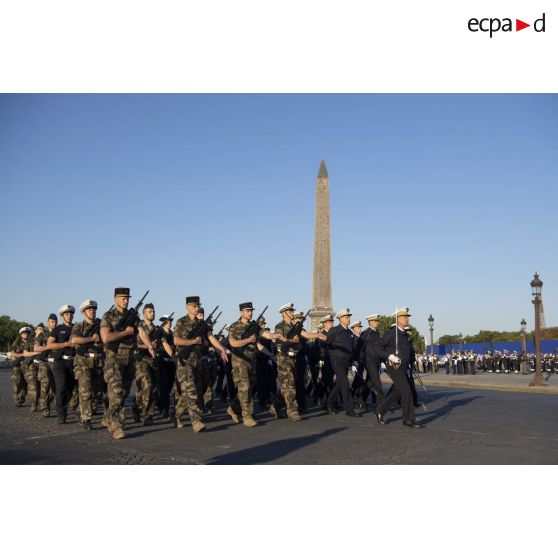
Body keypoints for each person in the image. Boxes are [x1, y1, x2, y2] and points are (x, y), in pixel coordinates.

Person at [100, 287, 155, 440]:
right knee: (116, 393)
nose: (126, 300)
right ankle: (118, 427)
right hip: (114, 359)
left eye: (127, 298)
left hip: (129, 359)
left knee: (122, 393)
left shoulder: (133, 316)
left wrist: (149, 345)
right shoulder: (108, 316)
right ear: (115, 299)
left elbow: (142, 331)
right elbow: (106, 337)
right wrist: (125, 332)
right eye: (123, 298)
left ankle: (108, 414)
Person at [173, 296, 227, 432]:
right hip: (184, 362)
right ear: (187, 307)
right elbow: (176, 341)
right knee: (191, 391)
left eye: (198, 306)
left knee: (189, 393)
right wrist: (192, 342)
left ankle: (175, 414)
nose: (196, 309)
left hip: (197, 362)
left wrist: (222, 349)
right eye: (194, 306)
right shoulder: (181, 322)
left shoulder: (203, 325)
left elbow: (211, 338)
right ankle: (196, 421)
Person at [227, 302, 285, 427]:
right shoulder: (234, 326)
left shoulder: (255, 327)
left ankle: (233, 408)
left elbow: (264, 338)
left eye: (251, 310)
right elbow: (232, 343)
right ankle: (247, 416)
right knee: (245, 387)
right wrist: (248, 340)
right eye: (247, 311)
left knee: (249, 387)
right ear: (241, 312)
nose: (250, 313)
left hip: (251, 361)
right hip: (239, 361)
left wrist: (276, 336)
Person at [271, 303, 324, 421]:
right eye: (289, 311)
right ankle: (293, 411)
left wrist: (319, 334)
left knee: (287, 385)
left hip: (293, 359)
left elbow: (306, 334)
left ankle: (276, 404)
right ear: (283, 313)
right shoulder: (279, 326)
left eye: (292, 311)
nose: (292, 313)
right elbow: (280, 342)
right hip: (283, 358)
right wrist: (292, 340)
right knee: (290, 384)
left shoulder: (296, 326)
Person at [375, 307, 425, 428]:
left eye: (407, 317)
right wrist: (389, 356)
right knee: (407, 391)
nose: (407, 319)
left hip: (403, 367)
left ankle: (380, 410)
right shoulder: (392, 332)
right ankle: (408, 419)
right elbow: (377, 347)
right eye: (404, 317)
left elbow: (407, 351)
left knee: (397, 392)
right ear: (397, 319)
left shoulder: (404, 334)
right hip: (394, 367)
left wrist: (409, 363)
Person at [71, 300, 104, 431]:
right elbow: (74, 340)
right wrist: (92, 339)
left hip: (98, 361)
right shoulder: (79, 326)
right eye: (89, 309)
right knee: (85, 392)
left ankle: (82, 409)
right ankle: (86, 418)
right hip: (83, 361)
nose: (92, 311)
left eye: (94, 309)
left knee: (97, 393)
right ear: (84, 312)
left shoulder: (101, 325)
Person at [323, 308, 362, 417]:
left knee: (339, 384)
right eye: (346, 317)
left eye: (349, 317)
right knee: (345, 383)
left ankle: (329, 403)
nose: (349, 319)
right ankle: (349, 409)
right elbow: (326, 343)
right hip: (337, 360)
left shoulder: (350, 332)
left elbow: (352, 348)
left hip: (346, 361)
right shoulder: (334, 330)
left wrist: (354, 361)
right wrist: (331, 354)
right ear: (340, 319)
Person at [47, 305, 78, 424]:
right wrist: (66, 344)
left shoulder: (77, 328)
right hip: (60, 362)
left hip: (73, 362)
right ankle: (61, 414)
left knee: (70, 389)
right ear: (62, 316)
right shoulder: (58, 329)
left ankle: (63, 405)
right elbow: (50, 344)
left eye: (70, 314)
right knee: (61, 388)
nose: (69, 316)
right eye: (66, 314)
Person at [132, 302, 157, 426]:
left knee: (145, 389)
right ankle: (148, 415)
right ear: (144, 313)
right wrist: (149, 345)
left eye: (153, 311)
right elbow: (134, 344)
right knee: (148, 385)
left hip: (153, 361)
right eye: (149, 311)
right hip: (141, 360)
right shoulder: (139, 326)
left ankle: (136, 407)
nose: (152, 313)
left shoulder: (156, 328)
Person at [359, 313, 386, 406]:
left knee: (370, 382)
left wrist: (382, 361)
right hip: (369, 361)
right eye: (375, 321)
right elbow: (360, 347)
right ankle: (382, 405)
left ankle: (360, 401)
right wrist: (360, 360)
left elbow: (380, 349)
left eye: (377, 321)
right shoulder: (366, 333)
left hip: (377, 361)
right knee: (377, 382)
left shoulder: (377, 333)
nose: (377, 323)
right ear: (370, 322)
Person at [34, 313, 58, 417]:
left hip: (56, 362)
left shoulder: (59, 332)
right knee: (45, 383)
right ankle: (45, 408)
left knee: (56, 387)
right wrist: (48, 347)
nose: (54, 323)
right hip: (44, 362)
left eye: (56, 321)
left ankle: (47, 402)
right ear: (48, 322)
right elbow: (36, 348)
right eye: (52, 321)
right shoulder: (42, 334)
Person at [156, 314, 176, 418]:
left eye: (171, 321)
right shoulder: (160, 332)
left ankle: (162, 402)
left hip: (171, 362)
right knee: (163, 385)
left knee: (169, 385)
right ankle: (165, 408)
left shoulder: (172, 333)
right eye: (168, 321)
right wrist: (173, 356)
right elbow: (165, 344)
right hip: (163, 361)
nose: (170, 323)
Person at [9, 327, 31, 407]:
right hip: (17, 365)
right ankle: (18, 400)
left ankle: (22, 397)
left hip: (28, 365)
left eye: (27, 333)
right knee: (17, 383)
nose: (26, 334)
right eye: (24, 333)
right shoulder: (17, 342)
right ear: (21, 334)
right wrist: (22, 355)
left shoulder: (31, 342)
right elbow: (12, 353)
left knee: (27, 383)